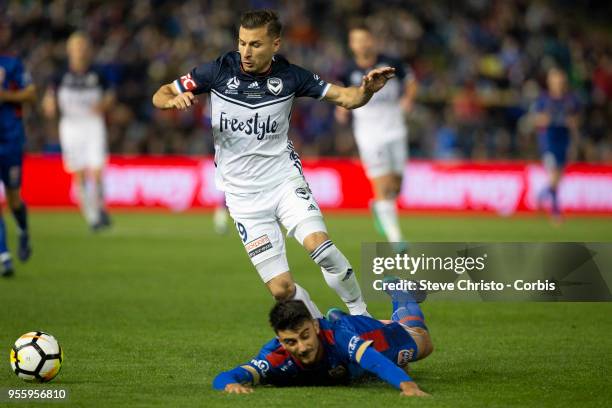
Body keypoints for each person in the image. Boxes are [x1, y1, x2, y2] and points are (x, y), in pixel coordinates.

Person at [152, 10, 396, 318]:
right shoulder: (216, 71)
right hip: (243, 198)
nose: (245, 51)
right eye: (241, 43)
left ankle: (361, 317)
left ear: (275, 44)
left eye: (255, 44)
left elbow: (347, 97)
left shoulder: (293, 76)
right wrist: (172, 101)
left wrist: (366, 91)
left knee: (319, 245)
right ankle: (326, 334)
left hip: (283, 181)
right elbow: (160, 93)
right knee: (282, 290)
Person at [212, 298, 432, 396]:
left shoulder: (336, 337)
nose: (302, 347)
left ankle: (403, 297)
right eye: (291, 341)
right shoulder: (274, 357)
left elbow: (373, 360)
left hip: (358, 331)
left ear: (315, 326)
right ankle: (338, 315)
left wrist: (407, 386)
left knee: (423, 343)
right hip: (348, 368)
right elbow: (225, 377)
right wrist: (230, 386)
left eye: (305, 336)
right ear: (280, 341)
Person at [336, 23, 417, 250]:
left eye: (365, 39)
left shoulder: (392, 63)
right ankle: (396, 240)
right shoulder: (347, 70)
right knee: (382, 185)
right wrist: (341, 108)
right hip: (369, 134)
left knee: (396, 186)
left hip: (396, 129)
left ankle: (379, 208)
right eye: (356, 40)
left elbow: (411, 82)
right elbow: (342, 94)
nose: (361, 44)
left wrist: (408, 99)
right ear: (352, 45)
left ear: (372, 40)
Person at [42, 32, 115, 231]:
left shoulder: (97, 73)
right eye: (76, 46)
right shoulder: (60, 74)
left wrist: (104, 105)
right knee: (80, 173)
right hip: (71, 126)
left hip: (93, 124)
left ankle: (101, 208)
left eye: (83, 46)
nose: (80, 50)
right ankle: (92, 217)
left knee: (98, 170)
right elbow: (49, 96)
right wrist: (49, 104)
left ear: (88, 49)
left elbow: (110, 95)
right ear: (69, 50)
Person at [0, 19, 35, 277]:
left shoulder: (13, 64)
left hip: (10, 138)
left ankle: (23, 231)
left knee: (13, 199)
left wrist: (6, 97)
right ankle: (4, 256)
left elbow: (31, 93)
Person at [533, 67, 581, 222]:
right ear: (549, 81)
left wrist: (572, 125)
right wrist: (546, 120)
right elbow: (537, 119)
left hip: (563, 140)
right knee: (553, 173)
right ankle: (555, 211)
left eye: (560, 78)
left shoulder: (570, 99)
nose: (558, 81)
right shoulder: (544, 99)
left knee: (558, 177)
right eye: (554, 78)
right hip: (548, 140)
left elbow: (577, 120)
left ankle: (542, 194)